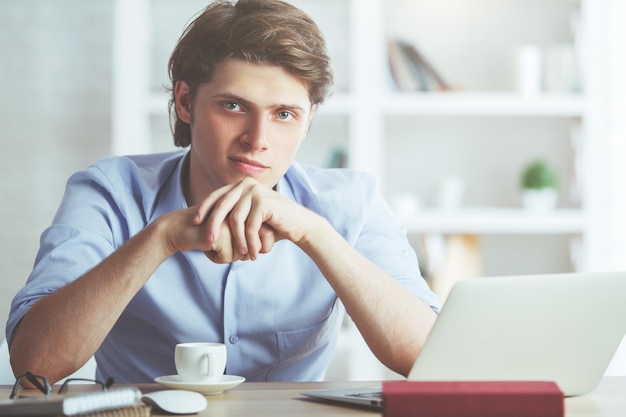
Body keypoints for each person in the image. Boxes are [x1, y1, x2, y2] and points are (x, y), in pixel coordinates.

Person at [7, 0, 440, 384]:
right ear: (185, 102)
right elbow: (34, 364)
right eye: (234, 106)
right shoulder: (110, 192)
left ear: (308, 120)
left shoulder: (352, 203)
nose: (258, 139)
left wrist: (315, 235)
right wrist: (161, 239)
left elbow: (428, 359)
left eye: (285, 114)